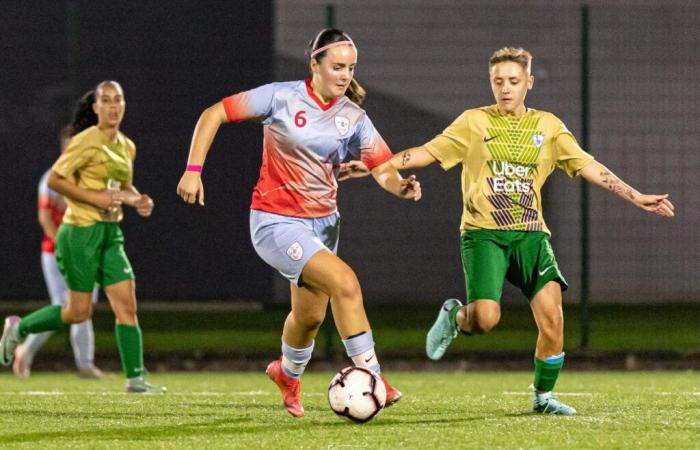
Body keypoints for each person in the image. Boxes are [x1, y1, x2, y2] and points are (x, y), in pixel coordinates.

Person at [340, 47, 674, 415]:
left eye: (514, 81)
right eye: (498, 81)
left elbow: (589, 166)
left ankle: (543, 398)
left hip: (531, 236)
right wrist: (377, 165)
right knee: (485, 320)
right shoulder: (474, 123)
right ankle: (456, 316)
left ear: (528, 83)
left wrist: (636, 196)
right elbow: (428, 152)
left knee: (553, 318)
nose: (505, 88)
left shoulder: (548, 127)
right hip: (484, 234)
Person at [176, 28, 421, 417]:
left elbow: (383, 166)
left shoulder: (353, 116)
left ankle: (286, 374)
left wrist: (399, 187)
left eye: (351, 68)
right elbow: (214, 113)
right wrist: (193, 170)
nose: (345, 75)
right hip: (275, 222)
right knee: (345, 283)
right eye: (337, 67)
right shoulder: (281, 96)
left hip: (323, 225)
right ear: (315, 65)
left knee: (309, 317)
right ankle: (374, 377)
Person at [0, 81, 165, 394]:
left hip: (110, 234)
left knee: (127, 304)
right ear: (96, 107)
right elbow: (55, 180)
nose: (113, 106)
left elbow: (122, 188)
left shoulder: (127, 146)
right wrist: (94, 198)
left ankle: (135, 379)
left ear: (124, 105)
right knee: (78, 311)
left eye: (118, 100)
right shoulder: (84, 141)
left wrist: (138, 200)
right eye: (106, 100)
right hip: (79, 233)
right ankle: (18, 328)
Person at [13, 98, 105, 379]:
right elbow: (44, 219)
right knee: (67, 307)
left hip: (87, 252)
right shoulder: (51, 179)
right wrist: (65, 246)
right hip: (55, 252)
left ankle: (83, 364)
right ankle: (25, 345)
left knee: (81, 307)